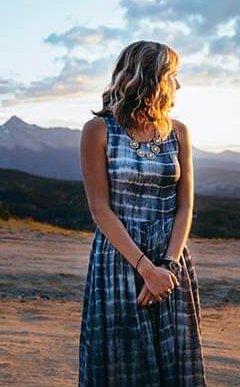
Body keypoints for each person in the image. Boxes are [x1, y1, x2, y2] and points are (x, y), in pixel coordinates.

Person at [78, 40, 207, 386]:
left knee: (174, 362)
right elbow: (99, 208)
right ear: (149, 79)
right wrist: (144, 267)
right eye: (172, 76)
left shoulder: (179, 132)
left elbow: (185, 206)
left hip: (170, 261)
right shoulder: (98, 130)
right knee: (123, 363)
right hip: (119, 260)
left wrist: (166, 266)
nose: (177, 85)